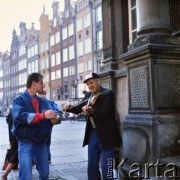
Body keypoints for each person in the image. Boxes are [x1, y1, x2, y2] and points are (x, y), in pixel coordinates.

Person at [63, 72, 122, 180]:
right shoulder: (89, 95)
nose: (90, 86)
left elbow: (104, 113)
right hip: (93, 134)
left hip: (107, 135)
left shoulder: (108, 94)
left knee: (106, 168)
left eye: (91, 83)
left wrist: (91, 110)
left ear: (98, 81)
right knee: (92, 166)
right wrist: (69, 108)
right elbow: (79, 108)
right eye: (88, 84)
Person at [12, 73, 58, 180]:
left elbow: (54, 113)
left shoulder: (43, 101)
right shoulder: (19, 100)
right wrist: (43, 115)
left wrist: (55, 119)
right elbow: (20, 116)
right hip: (26, 143)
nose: (43, 85)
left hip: (41, 144)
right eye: (41, 83)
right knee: (25, 176)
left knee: (44, 174)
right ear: (34, 83)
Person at [37, 90, 62, 163]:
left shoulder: (50, 102)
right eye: (40, 94)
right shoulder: (36, 102)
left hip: (47, 125)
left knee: (46, 142)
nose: (42, 95)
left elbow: (57, 112)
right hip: (37, 125)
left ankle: (48, 158)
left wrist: (55, 117)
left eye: (43, 94)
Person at [1, 108, 18, 180]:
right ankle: (4, 175)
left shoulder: (12, 108)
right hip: (17, 136)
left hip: (12, 135)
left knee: (14, 154)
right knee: (15, 156)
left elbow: (7, 120)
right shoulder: (20, 109)